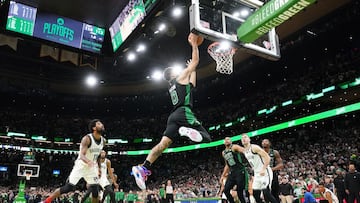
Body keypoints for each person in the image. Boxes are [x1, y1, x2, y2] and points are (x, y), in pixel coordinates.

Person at [131, 33, 211, 190]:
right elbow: (195, 61)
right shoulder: (179, 77)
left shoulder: (174, 85)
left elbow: (192, 84)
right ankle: (185, 130)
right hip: (183, 112)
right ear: (173, 74)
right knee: (207, 138)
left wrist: (192, 70)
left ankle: (143, 167)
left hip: (173, 116)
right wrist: (194, 45)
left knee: (162, 145)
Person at [43, 119, 106, 203]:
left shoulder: (103, 141)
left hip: (92, 167)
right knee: (68, 188)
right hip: (81, 165)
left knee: (95, 190)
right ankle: (46, 201)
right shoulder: (87, 139)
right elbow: (82, 155)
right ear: (94, 128)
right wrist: (88, 161)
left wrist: (99, 168)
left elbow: (98, 155)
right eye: (99, 123)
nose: (102, 124)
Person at [241, 134, 279, 203]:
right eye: (242, 138)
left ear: (249, 139)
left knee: (266, 192)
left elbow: (267, 157)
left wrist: (263, 169)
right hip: (257, 173)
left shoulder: (254, 147)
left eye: (245, 137)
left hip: (265, 171)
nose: (243, 139)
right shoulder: (245, 151)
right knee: (255, 194)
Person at [220, 137, 248, 203]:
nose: (227, 140)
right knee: (226, 190)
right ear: (224, 142)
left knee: (240, 192)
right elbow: (227, 165)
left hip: (240, 171)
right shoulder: (223, 152)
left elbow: (244, 151)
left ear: (231, 141)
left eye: (228, 139)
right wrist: (222, 176)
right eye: (225, 139)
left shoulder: (234, 147)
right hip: (232, 172)